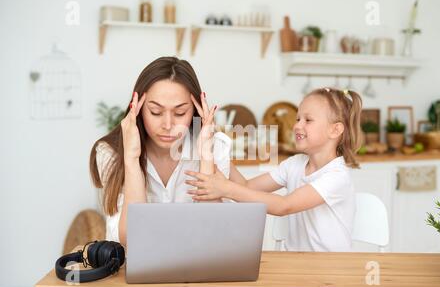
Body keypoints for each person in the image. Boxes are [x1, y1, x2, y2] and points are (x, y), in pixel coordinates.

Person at [185, 87, 363, 252]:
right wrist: (214, 143)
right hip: (299, 266)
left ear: (335, 130)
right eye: (297, 118)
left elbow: (284, 206)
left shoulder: (337, 176)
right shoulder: (295, 164)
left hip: (332, 269)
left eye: (308, 120)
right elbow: (246, 186)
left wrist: (226, 188)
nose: (297, 125)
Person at [89, 57, 231, 246]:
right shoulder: (110, 154)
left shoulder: (215, 148)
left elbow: (215, 237)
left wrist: (206, 158)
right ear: (137, 108)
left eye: (180, 113)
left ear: (196, 109)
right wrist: (131, 159)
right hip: (131, 273)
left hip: (198, 271)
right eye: (155, 112)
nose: (168, 125)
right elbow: (132, 242)